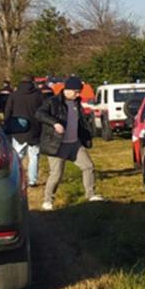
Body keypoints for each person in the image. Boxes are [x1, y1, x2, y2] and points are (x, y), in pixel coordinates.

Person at [36, 75, 104, 210]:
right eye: (76, 92)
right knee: (56, 174)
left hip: (74, 144)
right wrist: (55, 123)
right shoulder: (52, 101)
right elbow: (39, 114)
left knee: (88, 166)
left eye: (79, 92)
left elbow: (80, 122)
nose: (78, 94)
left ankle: (90, 194)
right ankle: (48, 200)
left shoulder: (77, 103)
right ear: (67, 89)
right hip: (57, 145)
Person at [4, 78, 44, 186]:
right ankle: (32, 180)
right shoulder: (38, 95)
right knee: (34, 155)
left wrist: (7, 124)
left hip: (18, 130)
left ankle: (17, 179)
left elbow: (8, 111)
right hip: (35, 129)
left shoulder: (14, 95)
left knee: (17, 156)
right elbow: (43, 111)